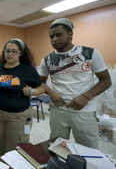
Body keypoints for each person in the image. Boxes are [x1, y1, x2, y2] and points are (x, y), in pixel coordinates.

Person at [38, 18, 111, 149]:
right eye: (51, 36)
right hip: (58, 110)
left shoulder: (89, 53)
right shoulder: (47, 59)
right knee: (58, 148)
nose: (54, 39)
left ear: (70, 34)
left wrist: (86, 96)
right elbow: (40, 82)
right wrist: (52, 93)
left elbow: (106, 81)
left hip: (84, 111)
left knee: (89, 151)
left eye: (58, 35)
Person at [0, 38, 44, 156]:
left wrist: (31, 91)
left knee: (16, 148)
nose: (10, 54)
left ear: (20, 53)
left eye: (14, 51)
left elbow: (42, 88)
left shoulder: (27, 70)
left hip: (18, 117)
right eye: (7, 51)